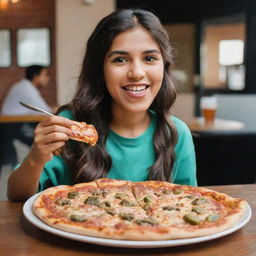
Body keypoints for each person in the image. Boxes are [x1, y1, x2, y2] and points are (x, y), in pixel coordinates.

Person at [7, 9, 197, 201]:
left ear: (164, 66)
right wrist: (35, 158)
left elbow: (191, 205)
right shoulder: (70, 127)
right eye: (120, 59)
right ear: (100, 69)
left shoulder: (177, 134)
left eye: (149, 58)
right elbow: (16, 196)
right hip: (77, 229)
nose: (137, 73)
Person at [0, 65, 52, 167]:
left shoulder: (24, 86)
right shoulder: (27, 88)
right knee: (44, 140)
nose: (48, 78)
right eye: (45, 74)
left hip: (11, 125)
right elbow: (45, 111)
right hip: (11, 125)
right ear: (36, 76)